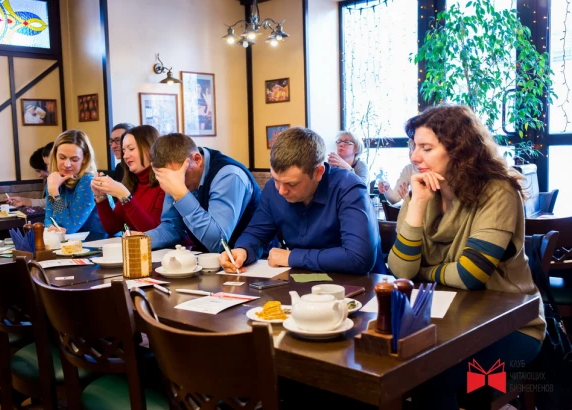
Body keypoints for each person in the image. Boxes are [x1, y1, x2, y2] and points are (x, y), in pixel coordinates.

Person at [387, 105, 545, 409]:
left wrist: (426, 272)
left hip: (513, 328)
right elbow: (401, 271)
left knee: (428, 373)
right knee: (400, 363)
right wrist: (417, 205)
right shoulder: (420, 189)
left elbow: (470, 276)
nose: (414, 156)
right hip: (445, 321)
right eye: (413, 146)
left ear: (459, 151)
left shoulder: (498, 191)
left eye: (426, 148)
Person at [219, 127, 379, 275]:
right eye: (276, 179)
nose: (281, 190)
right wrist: (242, 251)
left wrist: (291, 257)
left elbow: (358, 258)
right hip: (303, 283)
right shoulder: (272, 190)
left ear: (318, 172)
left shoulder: (349, 188)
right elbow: (256, 234)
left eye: (291, 184)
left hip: (363, 289)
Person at [133, 133, 260, 253]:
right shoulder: (173, 176)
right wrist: (145, 239)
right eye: (169, 179)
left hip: (255, 262)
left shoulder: (229, 175)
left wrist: (181, 195)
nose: (176, 183)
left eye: (182, 175)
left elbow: (218, 243)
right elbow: (174, 227)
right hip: (209, 263)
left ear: (197, 159)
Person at [92, 125, 165, 235]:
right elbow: (113, 227)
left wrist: (125, 196)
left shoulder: (165, 183)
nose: (125, 156)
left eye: (131, 149)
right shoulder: (132, 182)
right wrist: (101, 197)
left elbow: (154, 232)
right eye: (124, 151)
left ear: (150, 148)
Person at [44, 130, 109, 241]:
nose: (67, 164)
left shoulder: (89, 181)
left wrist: (54, 191)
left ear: (85, 158)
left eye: (74, 159)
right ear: (55, 156)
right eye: (62, 157)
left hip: (101, 245)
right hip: (72, 245)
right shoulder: (54, 179)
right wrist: (51, 227)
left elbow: (70, 227)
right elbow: (48, 217)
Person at [7, 142, 54, 207]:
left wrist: (55, 191)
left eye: (73, 159)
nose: (48, 169)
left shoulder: (68, 184)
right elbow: (49, 202)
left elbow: (61, 212)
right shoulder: (54, 182)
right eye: (47, 165)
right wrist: (23, 201)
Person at [377, 140, 418, 204]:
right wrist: (387, 188)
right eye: (411, 149)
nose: (412, 156)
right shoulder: (409, 169)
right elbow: (394, 198)